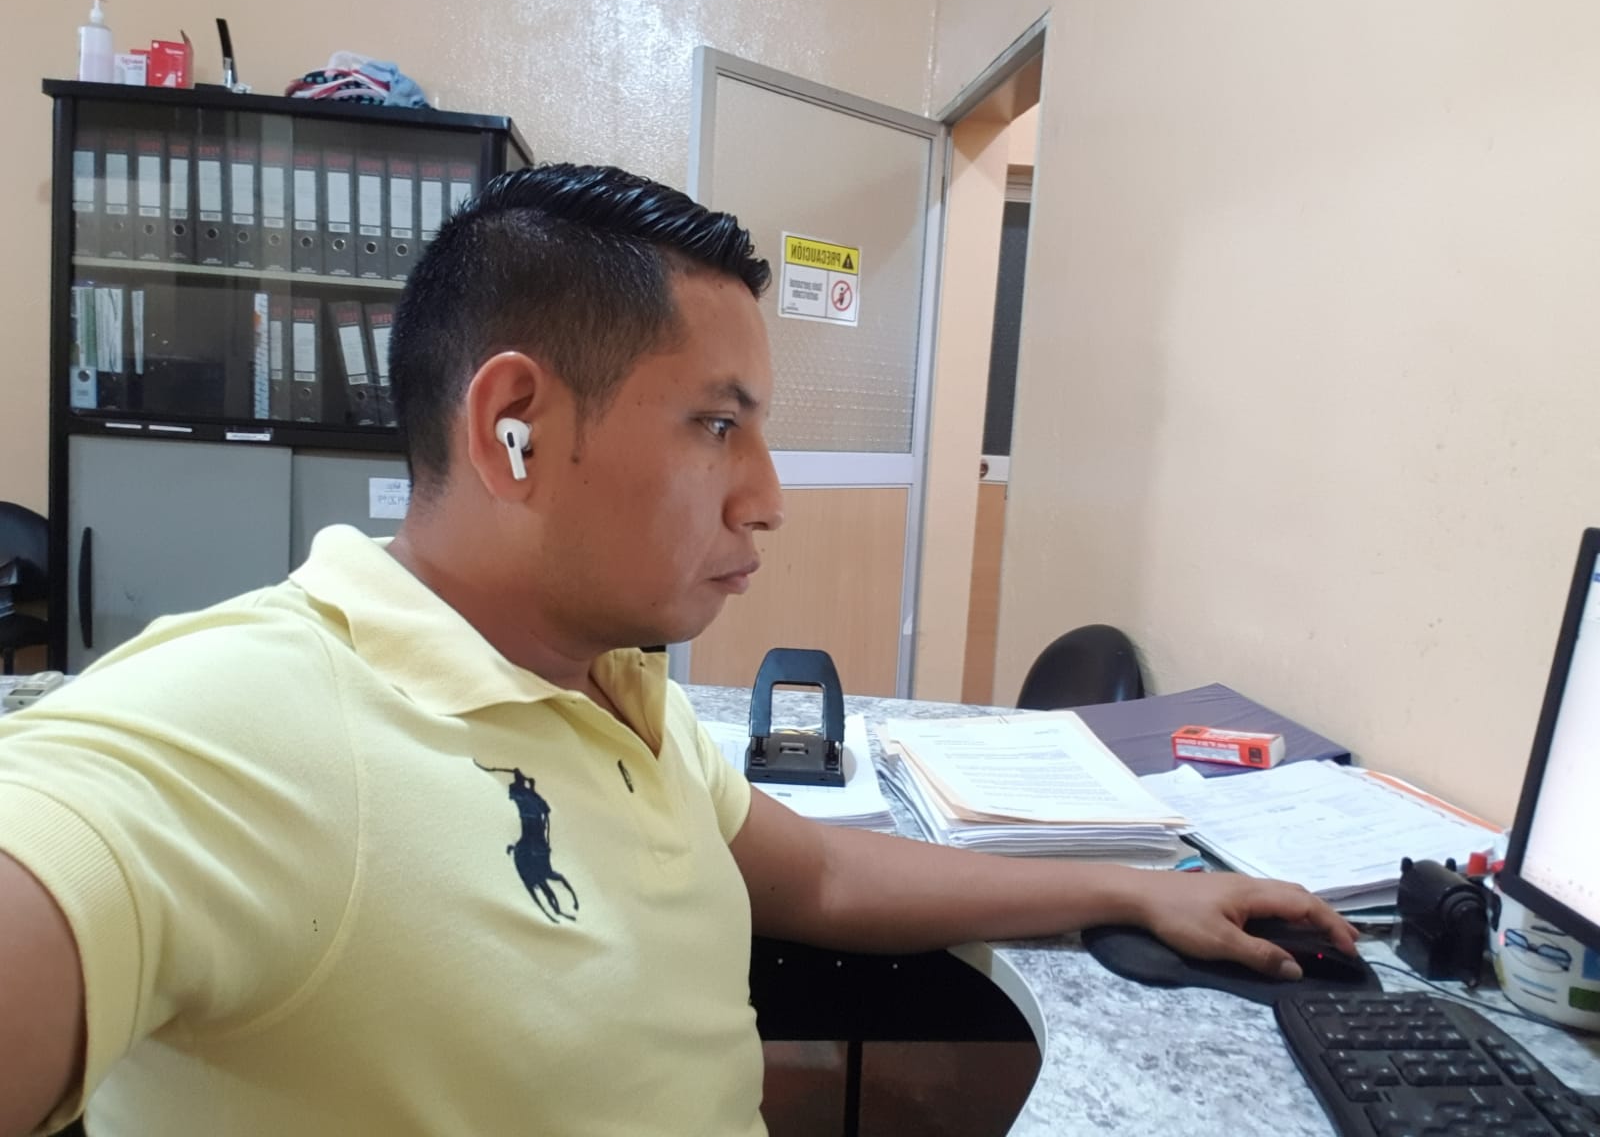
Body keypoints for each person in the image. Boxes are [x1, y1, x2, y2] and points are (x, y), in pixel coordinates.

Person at [0, 164, 1355, 1137]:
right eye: (719, 425)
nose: (766, 496)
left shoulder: (614, 682)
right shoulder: (245, 718)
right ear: (516, 430)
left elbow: (823, 870)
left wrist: (1131, 891)